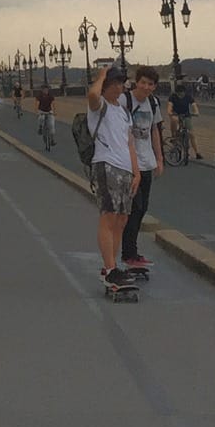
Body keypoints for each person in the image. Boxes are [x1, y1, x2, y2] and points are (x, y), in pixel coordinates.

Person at [86, 68, 136, 292]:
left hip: (125, 168)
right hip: (106, 164)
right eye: (115, 83)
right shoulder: (100, 107)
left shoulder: (123, 111)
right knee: (108, 216)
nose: (120, 87)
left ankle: (113, 266)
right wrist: (101, 76)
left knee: (121, 219)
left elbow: (130, 142)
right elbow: (92, 96)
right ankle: (109, 269)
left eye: (122, 83)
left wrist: (137, 171)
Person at [121, 69, 168, 277]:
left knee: (142, 209)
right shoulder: (125, 101)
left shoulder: (153, 103)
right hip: (129, 163)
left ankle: (132, 252)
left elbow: (154, 131)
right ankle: (128, 253)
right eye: (143, 83)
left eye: (150, 84)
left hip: (147, 162)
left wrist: (159, 158)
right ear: (136, 82)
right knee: (134, 207)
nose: (146, 87)